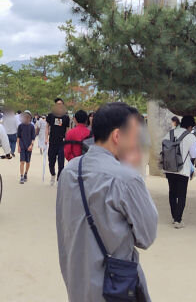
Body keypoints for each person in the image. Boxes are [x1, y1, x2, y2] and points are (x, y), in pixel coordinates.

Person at [57, 102, 157, 302]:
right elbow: (146, 236)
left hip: (77, 284)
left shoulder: (69, 172)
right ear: (117, 136)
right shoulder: (127, 178)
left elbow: (64, 228)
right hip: (114, 289)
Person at [162, 115, 196, 229]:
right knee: (182, 195)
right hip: (182, 169)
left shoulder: (169, 133)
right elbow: (194, 154)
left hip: (169, 168)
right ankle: (178, 220)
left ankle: (174, 216)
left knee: (172, 193)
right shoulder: (190, 136)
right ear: (190, 126)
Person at [46, 99, 71, 184]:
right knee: (51, 161)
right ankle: (53, 174)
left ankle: (59, 179)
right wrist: (46, 138)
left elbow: (67, 129)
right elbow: (47, 127)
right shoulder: (51, 115)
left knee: (61, 163)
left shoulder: (66, 117)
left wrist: (67, 139)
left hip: (62, 142)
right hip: (52, 142)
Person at [16, 111, 37, 183]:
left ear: (30, 118)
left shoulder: (32, 126)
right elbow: (18, 137)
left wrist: (31, 145)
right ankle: (21, 176)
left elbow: (33, 138)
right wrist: (18, 146)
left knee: (28, 161)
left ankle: (25, 173)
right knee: (22, 161)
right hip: (22, 146)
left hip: (29, 146)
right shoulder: (20, 126)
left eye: (27, 116)